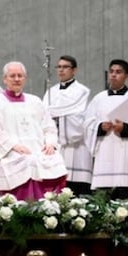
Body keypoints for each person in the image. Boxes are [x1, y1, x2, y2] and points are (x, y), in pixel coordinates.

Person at [0, 62, 68, 200]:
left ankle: (50, 209)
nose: (17, 79)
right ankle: (24, 208)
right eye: (12, 76)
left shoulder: (35, 101)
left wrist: (50, 143)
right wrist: (14, 146)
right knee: (29, 162)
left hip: (38, 150)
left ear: (25, 79)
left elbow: (49, 126)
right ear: (5, 79)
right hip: (10, 152)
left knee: (55, 161)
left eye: (20, 76)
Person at [84, 59, 128, 200]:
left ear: (126, 76)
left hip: (127, 155)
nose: (113, 75)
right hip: (105, 154)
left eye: (118, 72)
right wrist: (99, 127)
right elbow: (87, 124)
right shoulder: (99, 99)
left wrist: (126, 127)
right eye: (111, 71)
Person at [42, 55, 93, 195]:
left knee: (77, 189)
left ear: (74, 70)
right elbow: (43, 116)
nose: (61, 70)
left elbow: (83, 119)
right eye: (58, 67)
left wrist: (60, 117)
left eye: (65, 67)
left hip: (77, 147)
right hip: (55, 146)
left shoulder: (82, 92)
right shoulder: (50, 92)